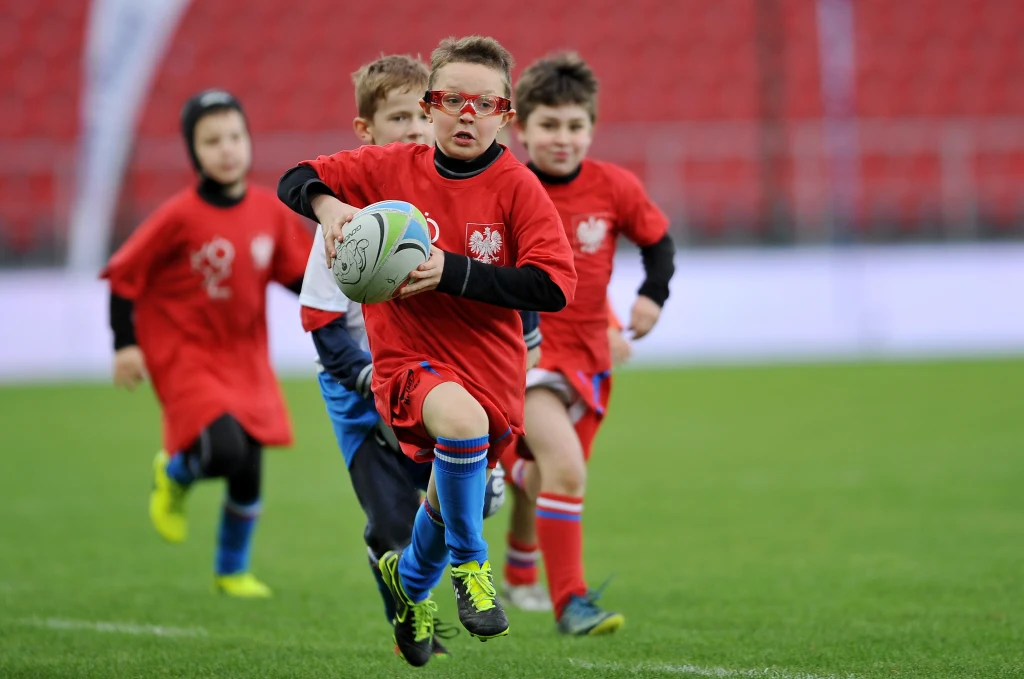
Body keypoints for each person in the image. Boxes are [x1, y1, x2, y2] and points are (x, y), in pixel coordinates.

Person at [278, 35, 577, 667]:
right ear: (431, 104)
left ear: (505, 116)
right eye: (451, 99)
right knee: (461, 429)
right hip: (407, 366)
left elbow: (553, 285)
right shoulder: (390, 167)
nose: (466, 113)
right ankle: (474, 567)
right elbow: (295, 177)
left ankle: (410, 589)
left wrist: (452, 272)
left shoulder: (518, 188)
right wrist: (329, 209)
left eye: (484, 102)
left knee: (446, 500)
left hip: (492, 375)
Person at [295, 54, 510, 658]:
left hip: (432, 379)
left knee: (464, 497)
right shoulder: (348, 221)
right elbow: (320, 321)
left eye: (421, 116)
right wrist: (368, 377)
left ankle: (420, 577)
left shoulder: (450, 202)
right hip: (361, 395)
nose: (415, 131)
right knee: (393, 521)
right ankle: (409, 610)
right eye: (398, 120)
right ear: (366, 134)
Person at [103, 89, 312, 597]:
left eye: (235, 137)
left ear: (249, 141)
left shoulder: (269, 210)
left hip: (245, 355)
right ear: (193, 151)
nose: (227, 149)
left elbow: (300, 279)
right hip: (185, 354)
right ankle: (173, 475)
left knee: (249, 467)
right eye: (212, 140)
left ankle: (231, 571)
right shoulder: (178, 216)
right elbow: (124, 277)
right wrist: (125, 344)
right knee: (222, 450)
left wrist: (355, 298)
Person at [499, 52, 676, 635]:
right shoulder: (507, 188)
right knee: (568, 472)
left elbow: (658, 243)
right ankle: (570, 602)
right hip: (526, 357)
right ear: (521, 128)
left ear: (591, 129)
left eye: (575, 126)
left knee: (547, 477)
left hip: (591, 363)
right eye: (548, 125)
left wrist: (648, 299)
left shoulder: (614, 187)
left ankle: (520, 567)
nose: (563, 138)